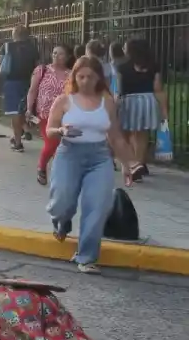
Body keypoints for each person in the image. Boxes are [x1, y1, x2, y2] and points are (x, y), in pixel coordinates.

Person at [45, 56, 139, 275]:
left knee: (97, 206)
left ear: (99, 78)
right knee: (61, 202)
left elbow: (115, 137)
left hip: (99, 158)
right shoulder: (64, 101)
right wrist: (61, 131)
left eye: (90, 76)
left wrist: (127, 165)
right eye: (81, 76)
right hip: (69, 155)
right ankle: (61, 221)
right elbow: (49, 130)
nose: (86, 81)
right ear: (74, 77)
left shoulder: (107, 102)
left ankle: (86, 257)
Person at [116, 38, 167, 177]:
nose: (123, 50)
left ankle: (130, 163)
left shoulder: (122, 66)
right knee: (142, 134)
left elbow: (118, 87)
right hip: (148, 101)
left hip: (129, 101)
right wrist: (163, 109)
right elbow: (158, 88)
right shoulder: (153, 66)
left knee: (125, 133)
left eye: (125, 47)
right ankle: (139, 163)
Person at [25, 43, 75, 185]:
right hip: (44, 114)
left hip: (64, 115)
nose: (56, 56)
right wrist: (29, 109)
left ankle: (58, 172)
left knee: (59, 145)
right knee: (51, 142)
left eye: (60, 53)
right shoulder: (42, 70)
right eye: (54, 53)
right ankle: (43, 167)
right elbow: (32, 90)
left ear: (68, 57)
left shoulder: (72, 74)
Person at [0, 25, 39, 152]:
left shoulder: (7, 46)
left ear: (14, 34)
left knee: (14, 112)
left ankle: (18, 142)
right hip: (28, 82)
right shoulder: (32, 48)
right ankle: (24, 130)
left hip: (12, 82)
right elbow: (37, 66)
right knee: (23, 109)